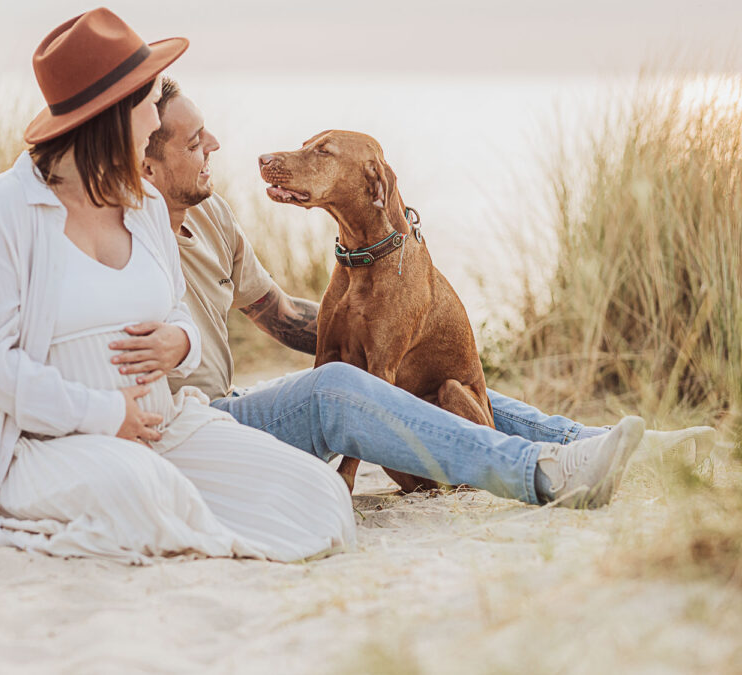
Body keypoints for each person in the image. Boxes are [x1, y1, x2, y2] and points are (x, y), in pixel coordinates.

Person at [105, 76, 714, 508]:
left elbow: (284, 316)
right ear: (147, 168)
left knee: (432, 375)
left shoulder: (212, 219)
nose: (215, 146)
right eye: (194, 143)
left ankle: (599, 444)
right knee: (347, 388)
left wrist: (392, 323)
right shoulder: (114, 239)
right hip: (199, 423)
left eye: (207, 133)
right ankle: (542, 473)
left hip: (237, 398)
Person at [0, 8, 355, 564]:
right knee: (140, 491)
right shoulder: (4, 210)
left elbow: (177, 309)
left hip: (166, 426)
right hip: (43, 445)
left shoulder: (146, 203)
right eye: (147, 106)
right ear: (111, 116)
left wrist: (181, 342)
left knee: (316, 492)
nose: (155, 125)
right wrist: (106, 415)